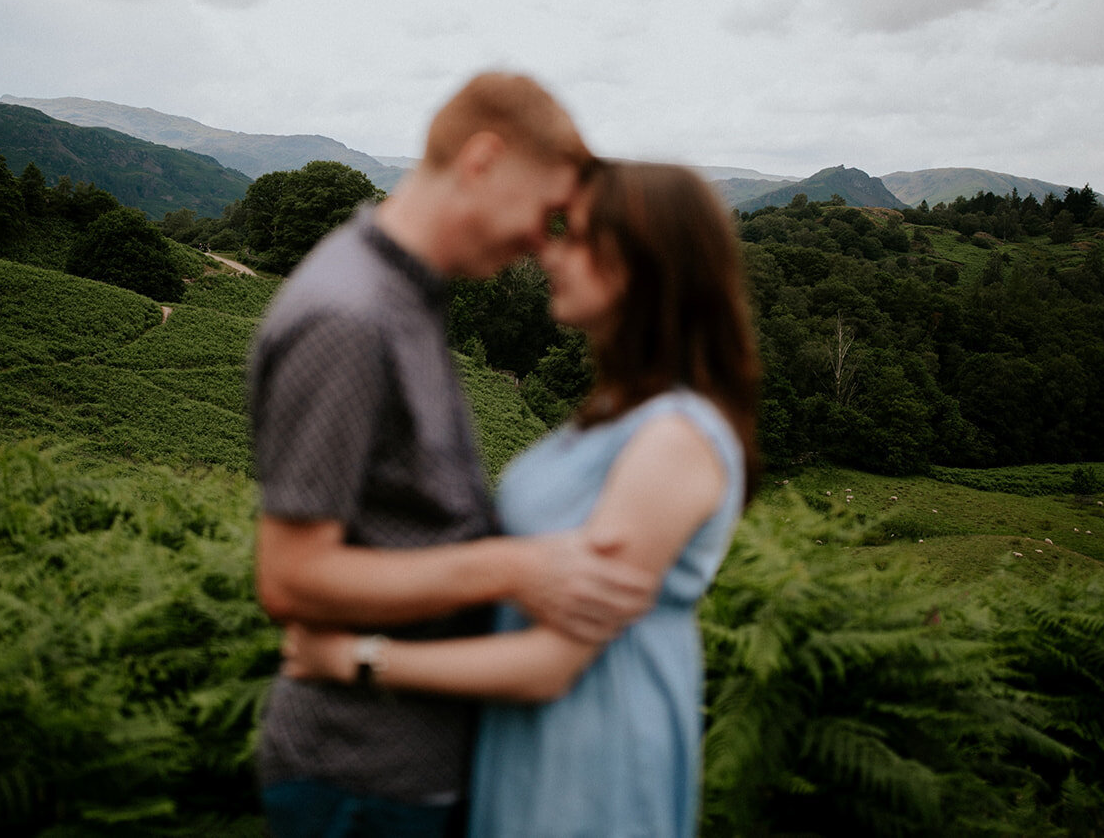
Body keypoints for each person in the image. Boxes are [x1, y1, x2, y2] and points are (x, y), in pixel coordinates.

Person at [282, 159, 759, 838]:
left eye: (579, 235)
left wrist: (357, 658)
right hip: (528, 742)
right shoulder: (613, 410)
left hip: (591, 753)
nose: (550, 249)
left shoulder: (675, 437)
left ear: (643, 263)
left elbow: (554, 662)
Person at [246, 74, 658, 838]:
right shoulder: (348, 315)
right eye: (546, 213)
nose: (543, 244)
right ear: (483, 161)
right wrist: (515, 568)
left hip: (411, 772)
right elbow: (290, 575)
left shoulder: (408, 296)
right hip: (363, 780)